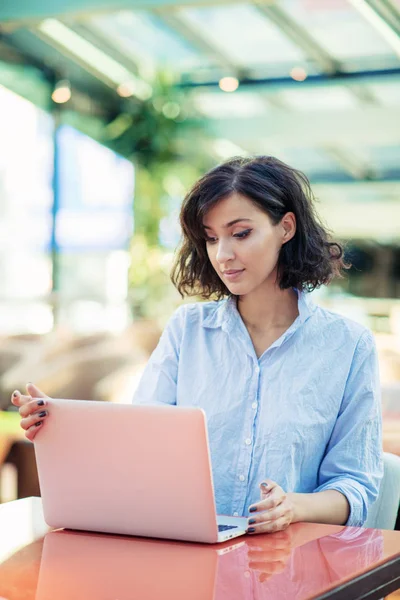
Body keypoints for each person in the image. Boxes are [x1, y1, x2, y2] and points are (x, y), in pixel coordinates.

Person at [12, 156, 383, 535]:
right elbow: (140, 443)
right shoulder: (187, 330)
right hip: (187, 548)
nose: (223, 255)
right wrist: (59, 427)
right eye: (211, 238)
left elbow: (356, 488)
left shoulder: (348, 346)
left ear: (285, 227)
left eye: (240, 234)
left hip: (288, 562)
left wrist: (294, 506)